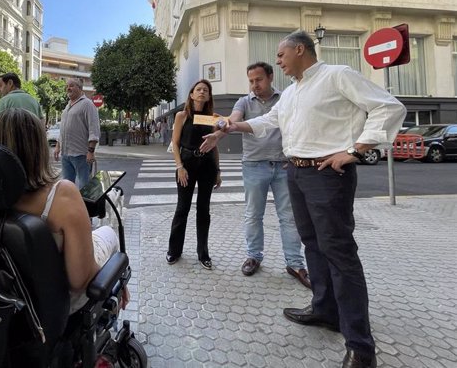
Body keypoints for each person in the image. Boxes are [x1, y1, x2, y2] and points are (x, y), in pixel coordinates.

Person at [201, 31, 406, 368]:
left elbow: (388, 108)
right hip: (295, 172)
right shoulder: (293, 92)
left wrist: (356, 150)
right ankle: (325, 310)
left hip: (328, 174)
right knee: (312, 244)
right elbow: (269, 121)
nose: (278, 61)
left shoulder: (338, 75)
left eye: (281, 55)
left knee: (339, 253)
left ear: (300, 49)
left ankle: (360, 345)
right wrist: (229, 127)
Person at [0, 108, 127, 313]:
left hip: (2, 296)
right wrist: (114, 279)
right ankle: (115, 299)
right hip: (55, 307)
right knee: (109, 233)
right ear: (37, 147)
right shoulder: (62, 195)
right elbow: (80, 281)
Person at [230, 62, 310, 289]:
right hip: (254, 165)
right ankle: (254, 256)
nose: (255, 85)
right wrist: (225, 125)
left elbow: (296, 127)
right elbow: (235, 119)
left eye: (259, 80)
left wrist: (294, 156)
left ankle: (295, 263)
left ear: (270, 77)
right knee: (253, 214)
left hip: (284, 166)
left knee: (288, 216)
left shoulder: (285, 98)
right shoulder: (244, 101)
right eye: (251, 81)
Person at [166, 79, 221, 270]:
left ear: (209, 96)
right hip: (187, 165)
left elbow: (214, 146)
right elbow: (175, 143)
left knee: (203, 210)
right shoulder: (182, 115)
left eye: (206, 90)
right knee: (182, 208)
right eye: (198, 89)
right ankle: (174, 250)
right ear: (191, 94)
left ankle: (203, 253)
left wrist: (218, 170)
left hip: (207, 165)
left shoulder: (212, 117)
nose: (202, 92)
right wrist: (179, 166)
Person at [54, 79, 101, 189]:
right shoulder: (67, 106)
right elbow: (63, 129)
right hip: (66, 154)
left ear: (80, 88)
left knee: (85, 187)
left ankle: (85, 206)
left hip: (81, 155)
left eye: (71, 86)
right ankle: (71, 206)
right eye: (67, 86)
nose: (68, 88)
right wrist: (58, 146)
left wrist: (91, 151)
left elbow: (94, 130)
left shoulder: (87, 104)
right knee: (67, 187)